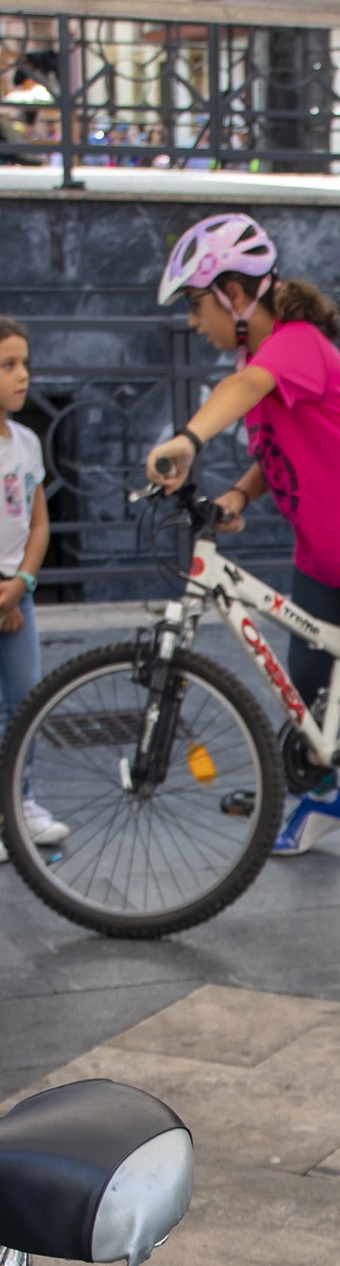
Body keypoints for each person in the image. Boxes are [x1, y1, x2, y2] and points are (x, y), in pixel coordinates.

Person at [146, 215, 340, 856]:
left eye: (195, 304)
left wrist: (187, 438)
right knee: (306, 691)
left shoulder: (293, 344)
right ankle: (320, 800)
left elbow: (245, 387)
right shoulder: (255, 356)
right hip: (321, 549)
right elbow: (279, 446)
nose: (192, 321)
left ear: (234, 296)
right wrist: (238, 493)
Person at [0, 317, 67, 866]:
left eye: (25, 363)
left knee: (25, 702)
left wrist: (20, 583)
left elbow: (39, 522)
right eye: (8, 366)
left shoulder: (25, 441)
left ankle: (21, 804)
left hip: (16, 595)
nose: (23, 375)